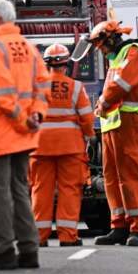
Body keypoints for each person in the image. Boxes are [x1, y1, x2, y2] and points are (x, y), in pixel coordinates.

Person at [0, 0, 50, 270]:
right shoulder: (28, 47)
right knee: (19, 191)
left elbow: (1, 91)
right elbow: (43, 82)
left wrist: (20, 119)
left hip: (0, 133)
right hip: (24, 134)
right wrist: (35, 115)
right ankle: (29, 250)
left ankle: (4, 250)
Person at [89, 20, 138, 247]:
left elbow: (121, 85)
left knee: (130, 177)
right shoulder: (118, 58)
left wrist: (102, 104)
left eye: (102, 46)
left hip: (129, 123)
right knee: (112, 178)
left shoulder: (133, 52)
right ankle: (119, 226)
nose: (101, 51)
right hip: (113, 126)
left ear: (112, 39)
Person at [31, 44, 96, 247]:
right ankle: (68, 236)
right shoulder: (76, 87)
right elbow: (86, 118)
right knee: (70, 190)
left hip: (40, 147)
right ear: (66, 64)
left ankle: (38, 237)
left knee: (41, 190)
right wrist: (89, 136)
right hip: (70, 148)